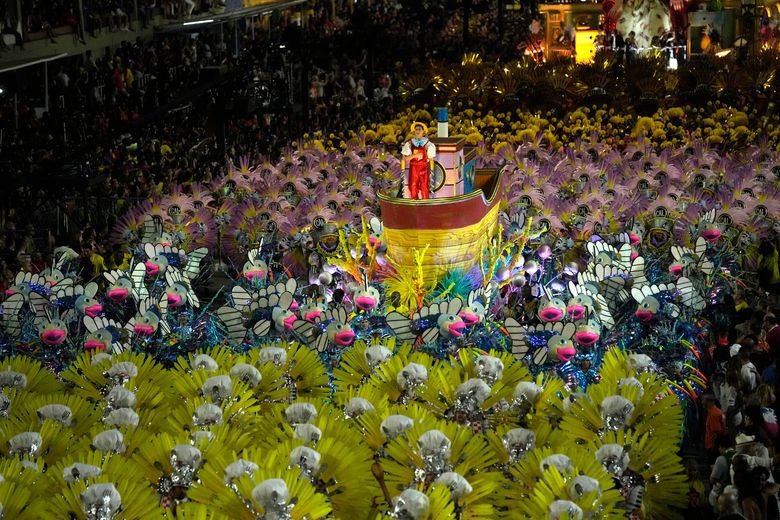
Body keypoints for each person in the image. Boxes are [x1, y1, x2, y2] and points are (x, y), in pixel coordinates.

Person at [400, 122, 435, 200]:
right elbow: (405, 159)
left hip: (424, 168)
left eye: (419, 129)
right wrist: (414, 156)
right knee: (413, 186)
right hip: (414, 169)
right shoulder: (410, 143)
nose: (417, 131)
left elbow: (431, 159)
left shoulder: (428, 144)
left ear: (423, 131)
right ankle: (414, 202)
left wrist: (431, 172)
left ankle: (425, 203)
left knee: (424, 186)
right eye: (416, 129)